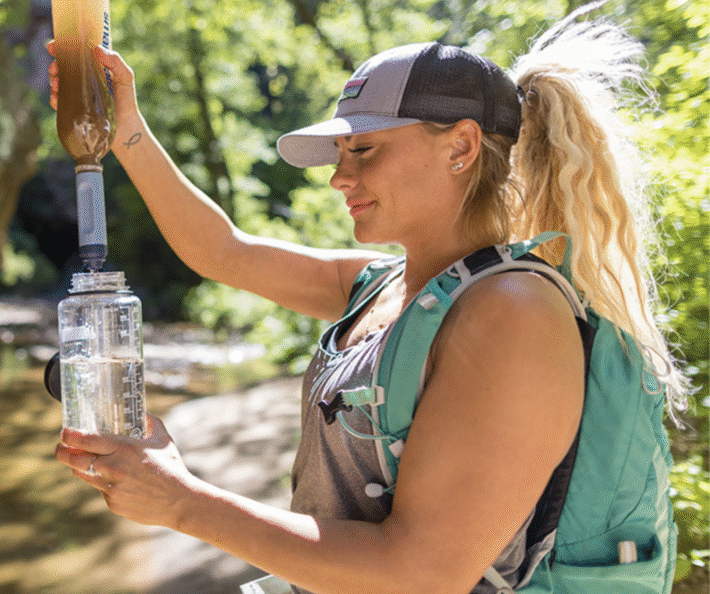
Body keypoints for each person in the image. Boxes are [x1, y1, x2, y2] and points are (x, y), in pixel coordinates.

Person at [50, 8, 687, 594]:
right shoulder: (385, 284)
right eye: (339, 154)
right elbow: (222, 251)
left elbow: (421, 573)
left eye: (363, 150)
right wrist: (126, 131)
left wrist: (183, 502)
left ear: (461, 147)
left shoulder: (515, 312)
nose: (338, 176)